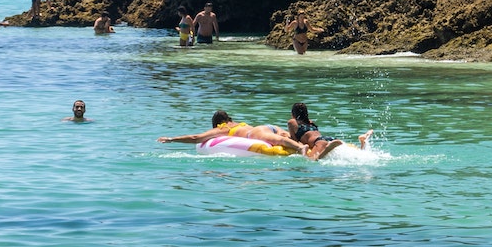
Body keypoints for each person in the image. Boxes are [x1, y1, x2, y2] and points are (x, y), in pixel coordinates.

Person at [159, 110, 306, 154]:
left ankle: (300, 148)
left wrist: (172, 139)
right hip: (268, 126)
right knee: (284, 137)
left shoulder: (223, 128)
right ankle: (303, 145)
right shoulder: (238, 123)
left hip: (256, 133)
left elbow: (196, 137)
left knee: (279, 141)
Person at [285, 101, 372, 160]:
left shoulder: (291, 122)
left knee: (312, 160)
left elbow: (295, 141)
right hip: (326, 139)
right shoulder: (311, 122)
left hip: (319, 142)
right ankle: (362, 141)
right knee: (357, 157)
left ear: (293, 114)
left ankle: (328, 148)